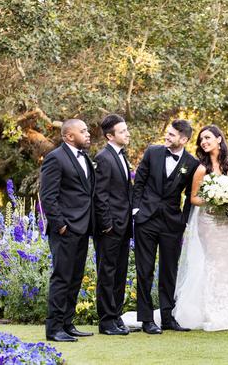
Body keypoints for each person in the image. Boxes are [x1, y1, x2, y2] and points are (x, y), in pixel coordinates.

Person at [173, 125, 228, 331]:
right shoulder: (200, 168)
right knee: (214, 264)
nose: (204, 142)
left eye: (207, 137)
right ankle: (214, 313)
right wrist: (213, 198)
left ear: (218, 138)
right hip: (208, 222)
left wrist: (227, 198)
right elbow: (194, 198)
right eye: (201, 140)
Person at [132, 119, 199, 334]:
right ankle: (146, 320)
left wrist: (184, 220)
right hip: (147, 220)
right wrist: (136, 210)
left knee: (170, 271)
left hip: (172, 222)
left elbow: (191, 195)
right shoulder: (153, 152)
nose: (167, 137)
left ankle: (168, 317)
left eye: (172, 135)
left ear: (184, 139)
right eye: (167, 133)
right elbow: (139, 182)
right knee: (145, 270)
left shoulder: (192, 163)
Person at [40, 119, 95, 342]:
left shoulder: (85, 158)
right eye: (83, 131)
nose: (88, 133)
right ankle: (54, 329)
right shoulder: (55, 158)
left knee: (75, 278)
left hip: (83, 228)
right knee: (62, 278)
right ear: (69, 136)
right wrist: (60, 225)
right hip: (65, 229)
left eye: (87, 129)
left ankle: (67, 323)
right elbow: (48, 196)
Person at [93, 114, 132, 336]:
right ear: (110, 135)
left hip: (124, 226)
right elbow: (100, 195)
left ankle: (116, 316)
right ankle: (106, 321)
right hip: (110, 228)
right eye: (122, 131)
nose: (127, 133)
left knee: (119, 273)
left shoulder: (120, 156)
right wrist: (107, 225)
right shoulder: (104, 157)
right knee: (107, 273)